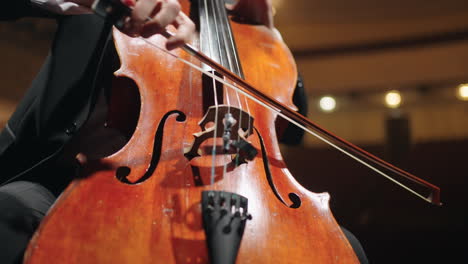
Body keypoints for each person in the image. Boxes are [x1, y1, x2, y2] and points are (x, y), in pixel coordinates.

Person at [0, 0, 368, 263]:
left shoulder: (242, 24)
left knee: (344, 247)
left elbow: (290, 128)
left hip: (242, 185)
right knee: (9, 209)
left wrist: (271, 35)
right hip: (71, 177)